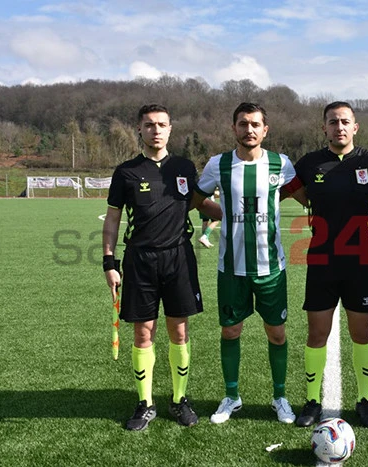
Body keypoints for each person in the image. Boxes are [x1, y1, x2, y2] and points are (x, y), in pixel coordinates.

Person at [102, 103, 220, 431]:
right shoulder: (126, 172)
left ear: (170, 129)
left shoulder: (184, 167)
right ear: (140, 129)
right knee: (144, 332)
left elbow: (200, 204)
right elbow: (112, 219)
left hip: (179, 258)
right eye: (149, 125)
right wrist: (109, 262)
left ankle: (179, 399)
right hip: (140, 260)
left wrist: (239, 213)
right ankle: (146, 403)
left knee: (179, 331)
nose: (156, 130)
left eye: (162, 124)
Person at [191, 102, 307, 425]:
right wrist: (224, 213)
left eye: (255, 124)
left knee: (277, 334)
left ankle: (280, 397)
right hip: (231, 269)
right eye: (243, 124)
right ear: (234, 128)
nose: (249, 129)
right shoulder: (218, 164)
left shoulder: (281, 164)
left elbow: (306, 198)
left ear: (265, 130)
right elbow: (196, 201)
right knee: (231, 331)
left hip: (271, 269)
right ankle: (232, 396)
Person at [293, 101, 368, 428]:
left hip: (360, 261)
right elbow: (294, 191)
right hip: (321, 260)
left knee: (362, 333)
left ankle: (365, 399)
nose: (339, 127)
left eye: (345, 121)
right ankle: (312, 401)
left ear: (355, 127)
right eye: (333, 122)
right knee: (317, 332)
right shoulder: (309, 163)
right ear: (324, 128)